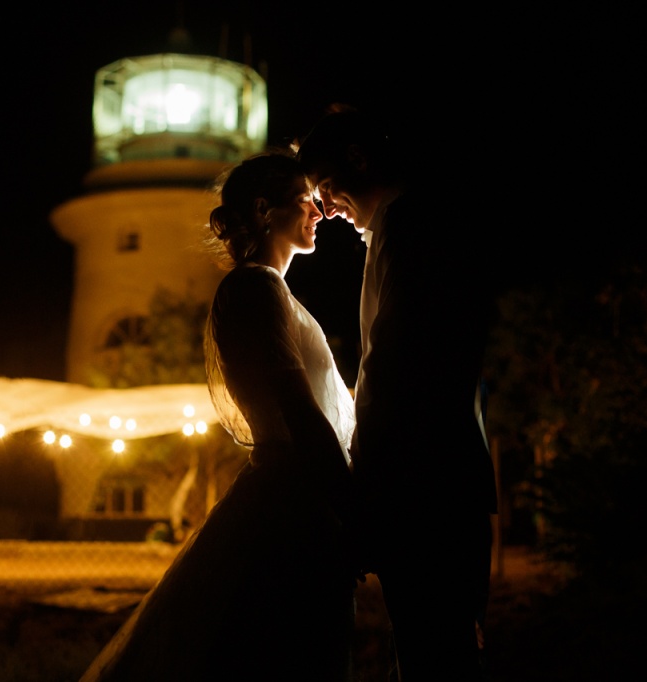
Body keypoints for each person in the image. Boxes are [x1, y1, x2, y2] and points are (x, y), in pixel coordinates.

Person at [79, 151, 359, 682]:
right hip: (292, 505)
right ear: (264, 209)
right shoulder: (255, 289)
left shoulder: (272, 290)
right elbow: (299, 412)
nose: (319, 211)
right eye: (304, 199)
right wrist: (354, 511)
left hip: (302, 497)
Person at [296, 108, 498, 681]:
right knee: (437, 645)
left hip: (424, 483)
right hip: (436, 478)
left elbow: (395, 365)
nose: (323, 208)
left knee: (434, 647)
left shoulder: (411, 225)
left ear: (358, 160)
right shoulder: (409, 223)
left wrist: (365, 483)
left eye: (325, 187)